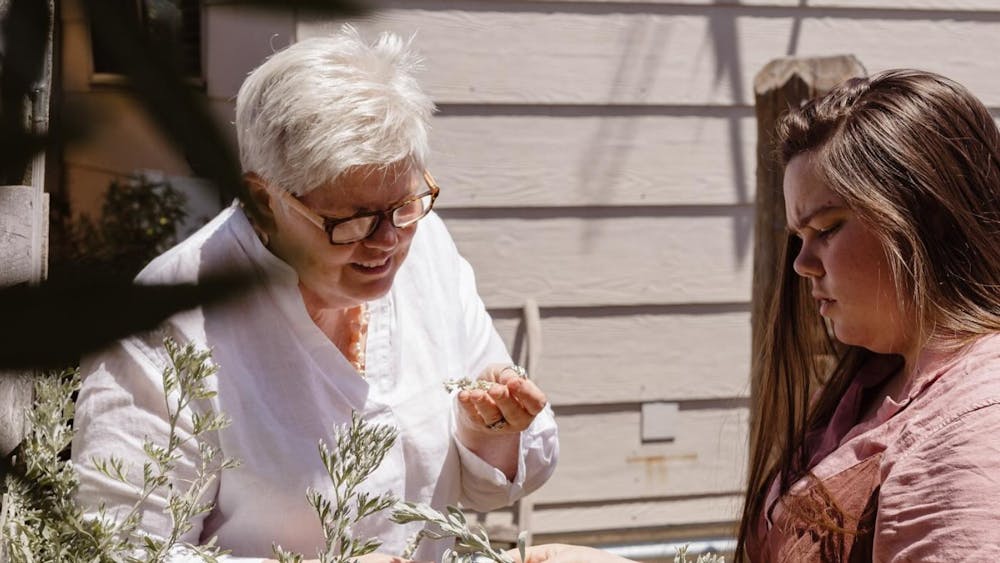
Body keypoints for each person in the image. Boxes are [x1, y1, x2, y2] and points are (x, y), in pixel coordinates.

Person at [71, 27, 558, 563]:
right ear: (262, 200)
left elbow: (493, 487)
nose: (388, 242)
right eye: (351, 221)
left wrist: (487, 430)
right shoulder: (164, 327)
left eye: (403, 205)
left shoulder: (427, 251)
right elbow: (115, 549)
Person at [518, 69, 1000, 562]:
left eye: (828, 228)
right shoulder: (877, 382)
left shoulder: (974, 431)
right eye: (798, 236)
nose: (801, 264)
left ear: (929, 216)